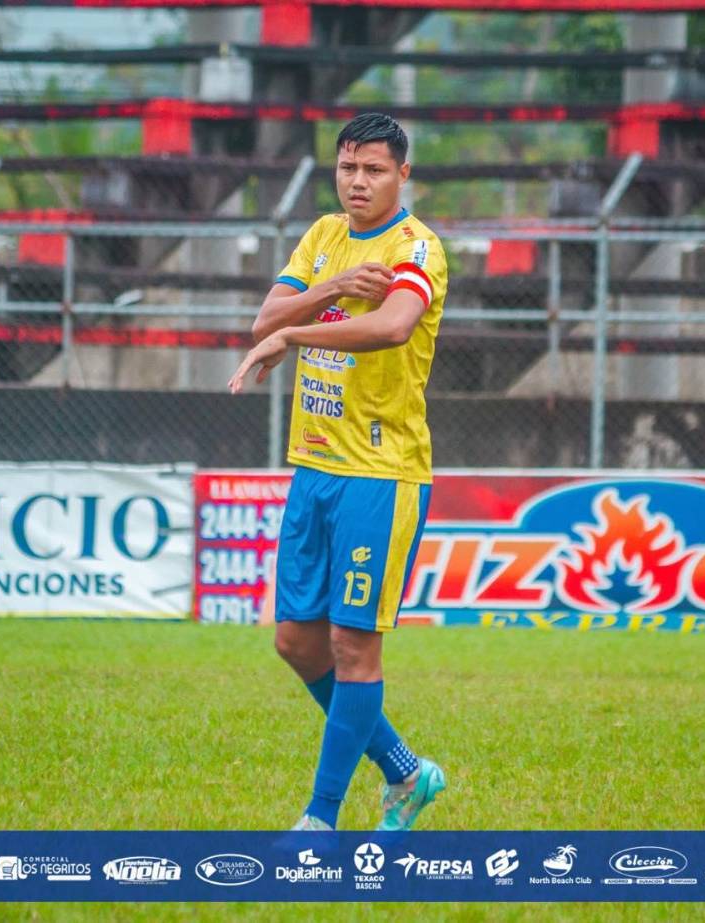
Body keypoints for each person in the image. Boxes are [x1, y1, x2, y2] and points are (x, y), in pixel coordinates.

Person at [228, 113, 448, 832]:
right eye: (349, 167)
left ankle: (319, 821)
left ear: (402, 175)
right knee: (295, 640)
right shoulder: (325, 236)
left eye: (375, 170)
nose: (359, 181)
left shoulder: (417, 246)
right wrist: (331, 287)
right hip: (315, 466)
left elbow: (391, 326)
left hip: (380, 472)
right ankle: (408, 773)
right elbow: (267, 313)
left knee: (355, 646)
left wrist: (295, 330)